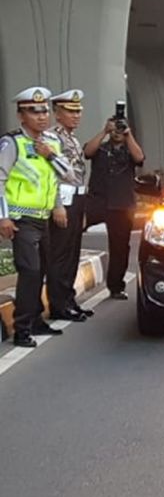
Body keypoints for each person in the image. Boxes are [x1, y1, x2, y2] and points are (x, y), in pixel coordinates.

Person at [0, 87, 81, 346]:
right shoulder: (12, 143)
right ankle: (22, 328)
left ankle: (35, 321)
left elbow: (64, 176)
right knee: (31, 271)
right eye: (33, 111)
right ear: (21, 116)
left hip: (44, 218)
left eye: (44, 110)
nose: (41, 116)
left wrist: (50, 155)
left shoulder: (53, 143)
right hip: (20, 219)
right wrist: (3, 217)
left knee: (44, 269)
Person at [44, 89, 93, 321]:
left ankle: (68, 299)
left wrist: (81, 209)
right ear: (57, 113)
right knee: (60, 256)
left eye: (78, 111)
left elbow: (79, 175)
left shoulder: (72, 137)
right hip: (62, 200)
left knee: (73, 254)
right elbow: (50, 175)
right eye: (70, 111)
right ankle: (58, 304)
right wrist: (57, 206)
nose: (76, 116)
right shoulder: (52, 138)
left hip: (77, 199)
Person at [85, 112, 145, 300]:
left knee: (120, 247)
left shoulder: (129, 149)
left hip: (122, 203)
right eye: (115, 127)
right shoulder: (101, 149)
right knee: (70, 235)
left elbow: (139, 158)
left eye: (121, 127)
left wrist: (128, 135)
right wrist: (104, 131)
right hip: (97, 200)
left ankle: (116, 286)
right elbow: (87, 152)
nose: (117, 131)